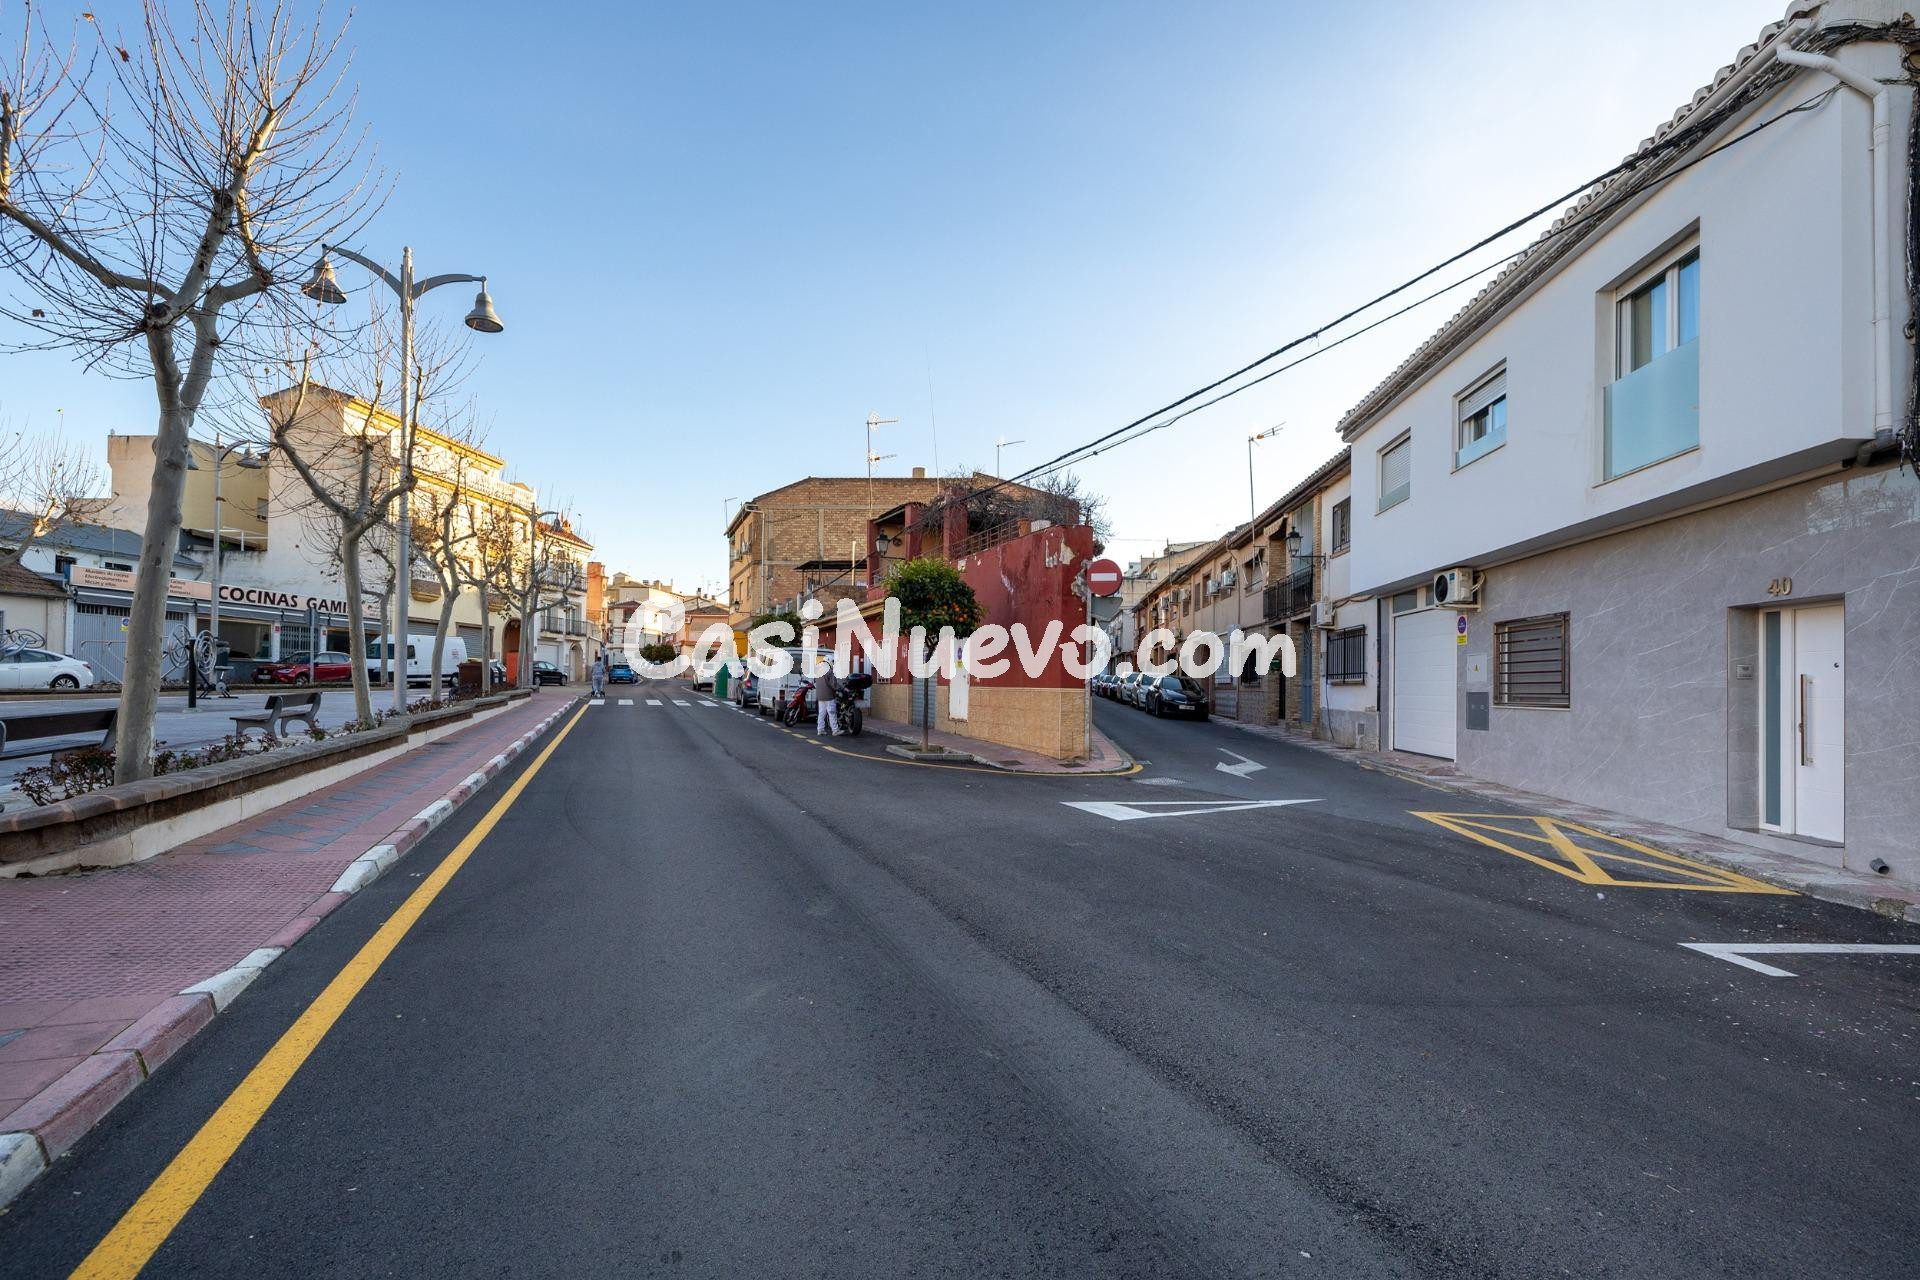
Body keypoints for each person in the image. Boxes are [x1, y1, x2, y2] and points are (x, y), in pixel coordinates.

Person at [814, 663, 842, 735]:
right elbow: (834, 684)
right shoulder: (829, 671)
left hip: (820, 696)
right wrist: (841, 688)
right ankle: (835, 730)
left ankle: (820, 729)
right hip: (828, 696)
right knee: (832, 713)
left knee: (821, 713)